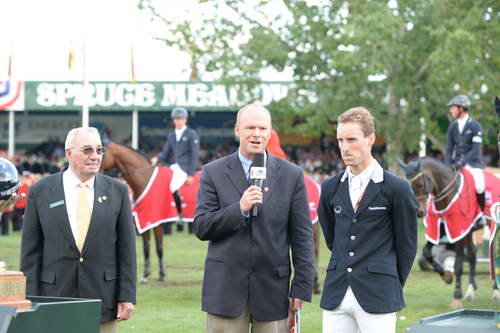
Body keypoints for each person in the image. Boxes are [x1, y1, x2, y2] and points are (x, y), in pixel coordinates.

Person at [193, 104, 315, 333]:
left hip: (273, 292)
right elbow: (201, 227)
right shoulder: (213, 172)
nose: (256, 134)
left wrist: (302, 287)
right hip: (225, 291)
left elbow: (303, 237)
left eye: (262, 128)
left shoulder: (292, 175)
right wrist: (239, 209)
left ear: (270, 133)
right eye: (250, 127)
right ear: (237, 131)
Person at [20, 127, 136, 333]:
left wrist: (127, 295)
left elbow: (126, 250)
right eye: (87, 150)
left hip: (103, 300)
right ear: (68, 153)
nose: (95, 157)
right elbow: (30, 253)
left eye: (99, 150)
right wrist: (29, 298)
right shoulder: (40, 191)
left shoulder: (117, 191)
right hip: (53, 300)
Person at [318, 107, 418, 333]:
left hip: (379, 293)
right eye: (340, 140)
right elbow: (332, 238)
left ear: (370, 139)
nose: (344, 147)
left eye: (351, 139)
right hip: (336, 293)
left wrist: (387, 280)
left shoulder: (397, 188)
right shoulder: (329, 188)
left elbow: (407, 245)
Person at [152, 107, 200, 233]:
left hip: (184, 169)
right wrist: (156, 159)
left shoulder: (192, 134)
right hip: (173, 166)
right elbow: (165, 152)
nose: (179, 121)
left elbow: (194, 155)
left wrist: (191, 174)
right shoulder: (172, 135)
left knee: (171, 187)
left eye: (181, 119)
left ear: (185, 120)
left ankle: (179, 214)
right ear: (173, 120)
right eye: (176, 119)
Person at [445, 95, 486, 213]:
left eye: (453, 107)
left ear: (461, 108)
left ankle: (481, 214)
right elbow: (448, 149)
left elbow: (476, 149)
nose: (450, 110)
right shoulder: (452, 127)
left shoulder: (475, 126)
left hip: (472, 164)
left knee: (479, 185)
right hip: (455, 164)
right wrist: (448, 163)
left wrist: (462, 163)